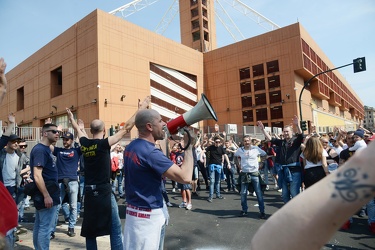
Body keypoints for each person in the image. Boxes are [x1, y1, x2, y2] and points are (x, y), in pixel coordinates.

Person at [250, 139, 375, 249]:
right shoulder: (322, 151)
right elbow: (325, 164)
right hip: (320, 173)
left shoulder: (305, 152)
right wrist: (328, 176)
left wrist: (304, 180)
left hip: (309, 174)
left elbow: (304, 166)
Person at [66, 96, 150, 250]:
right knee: (115, 229)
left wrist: (72, 119)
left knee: (90, 232)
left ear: (91, 131)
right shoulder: (104, 144)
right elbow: (126, 128)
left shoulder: (84, 143)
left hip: (89, 192)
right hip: (104, 191)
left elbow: (78, 131)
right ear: (104, 130)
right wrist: (141, 108)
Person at [123, 108, 194, 250]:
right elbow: (186, 177)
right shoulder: (150, 152)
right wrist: (189, 146)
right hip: (147, 219)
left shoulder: (131, 146)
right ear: (149, 126)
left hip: (135, 215)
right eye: (160, 121)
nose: (164, 124)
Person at [257, 115, 304, 204]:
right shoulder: (281, 142)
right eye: (284, 131)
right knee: (285, 194)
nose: (285, 133)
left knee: (294, 193)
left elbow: (301, 135)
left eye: (287, 131)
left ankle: (297, 211)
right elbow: (270, 139)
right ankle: (288, 210)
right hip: (283, 171)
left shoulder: (296, 141)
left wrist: (297, 125)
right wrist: (263, 130)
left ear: (292, 132)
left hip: (294, 171)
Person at [30, 123, 60, 250]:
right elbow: (37, 175)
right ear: (45, 133)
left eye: (58, 132)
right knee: (45, 227)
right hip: (46, 192)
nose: (57, 134)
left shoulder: (47, 149)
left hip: (47, 190)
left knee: (40, 224)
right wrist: (46, 195)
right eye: (54, 131)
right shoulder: (40, 150)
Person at [51, 132, 81, 237]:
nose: (65, 141)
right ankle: (52, 230)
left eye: (67, 139)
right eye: (64, 139)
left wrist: (79, 129)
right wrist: (50, 131)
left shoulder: (76, 151)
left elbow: (85, 144)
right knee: (57, 206)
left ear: (72, 140)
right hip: (60, 182)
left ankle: (71, 227)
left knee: (73, 206)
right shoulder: (58, 151)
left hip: (72, 181)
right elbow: (48, 145)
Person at [234, 135, 267, 218]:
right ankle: (244, 210)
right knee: (243, 193)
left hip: (254, 174)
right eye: (245, 141)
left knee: (258, 193)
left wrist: (261, 163)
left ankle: (262, 211)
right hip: (244, 174)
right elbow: (235, 156)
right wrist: (238, 165)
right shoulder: (240, 150)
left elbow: (265, 154)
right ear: (243, 142)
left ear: (250, 141)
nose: (247, 142)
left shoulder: (256, 149)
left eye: (248, 141)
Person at [205, 136, 230, 202]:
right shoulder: (210, 148)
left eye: (219, 142)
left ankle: (218, 195)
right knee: (212, 181)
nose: (218, 143)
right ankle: (210, 196)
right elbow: (205, 150)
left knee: (218, 181)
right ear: (214, 142)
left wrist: (228, 163)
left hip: (219, 166)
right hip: (212, 165)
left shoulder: (221, 148)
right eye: (216, 142)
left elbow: (225, 155)